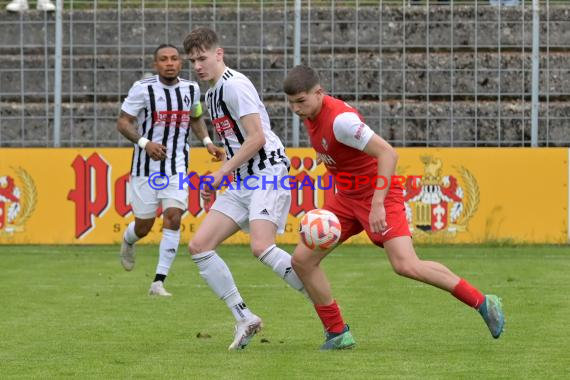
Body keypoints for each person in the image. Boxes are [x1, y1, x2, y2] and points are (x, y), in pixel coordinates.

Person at [283, 65, 505, 350]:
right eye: (291, 103)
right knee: (302, 261)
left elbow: (388, 153)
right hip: (346, 198)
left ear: (319, 93)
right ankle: (337, 333)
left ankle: (483, 302)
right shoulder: (312, 113)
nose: (296, 109)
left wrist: (377, 205)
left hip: (378, 195)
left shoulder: (341, 121)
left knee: (405, 265)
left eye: (301, 101)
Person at [183, 27, 307, 350]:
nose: (197, 65)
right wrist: (222, 174)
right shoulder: (210, 95)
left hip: (268, 171)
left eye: (203, 58)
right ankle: (244, 317)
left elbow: (257, 138)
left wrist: (221, 172)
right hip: (243, 180)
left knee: (261, 247)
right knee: (200, 246)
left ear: (219, 54)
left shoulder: (235, 86)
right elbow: (236, 141)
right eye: (192, 60)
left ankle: (323, 302)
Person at [117, 44, 223, 297]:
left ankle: (158, 282)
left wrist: (208, 142)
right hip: (145, 168)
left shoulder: (191, 88)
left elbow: (195, 117)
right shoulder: (142, 89)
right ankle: (129, 240)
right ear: (156, 65)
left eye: (174, 59)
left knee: (173, 216)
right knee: (144, 226)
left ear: (181, 63)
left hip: (176, 165)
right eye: (163, 59)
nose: (169, 63)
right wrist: (145, 143)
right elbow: (123, 122)